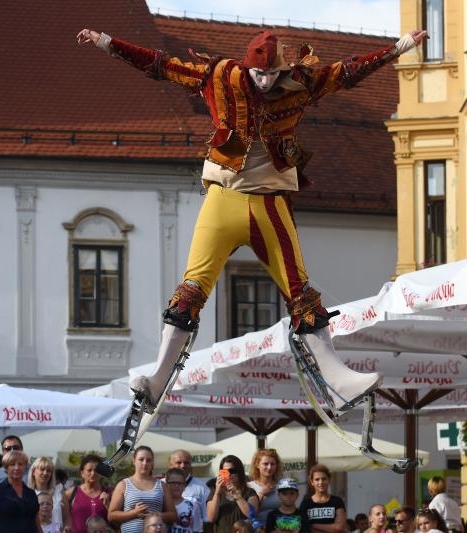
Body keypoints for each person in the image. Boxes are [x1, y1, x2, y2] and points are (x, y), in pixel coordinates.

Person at [76, 25, 428, 412]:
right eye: (258, 73)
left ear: (281, 70)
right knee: (190, 290)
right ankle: (158, 378)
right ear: (248, 67)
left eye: (271, 74)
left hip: (270, 203)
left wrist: (399, 47)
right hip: (223, 200)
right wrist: (108, 43)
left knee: (301, 294)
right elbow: (162, 66)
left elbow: (346, 72)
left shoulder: (299, 83)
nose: (264, 81)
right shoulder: (220, 76)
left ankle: (338, 381)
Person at [108, 446, 176, 533]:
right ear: (134, 461)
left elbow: (173, 515)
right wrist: (134, 513)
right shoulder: (123, 485)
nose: (145, 463)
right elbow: (111, 516)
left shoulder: (162, 485)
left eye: (148, 460)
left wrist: (154, 515)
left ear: (152, 463)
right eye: (141, 459)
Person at [0, 449, 39, 533]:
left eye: (20, 464)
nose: (17, 468)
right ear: (6, 468)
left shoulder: (31, 493)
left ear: (25, 467)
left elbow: (37, 523)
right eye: (12, 464)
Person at [207, 456, 257, 533]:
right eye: (225, 471)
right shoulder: (214, 492)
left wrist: (237, 496)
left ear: (239, 472)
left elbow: (252, 514)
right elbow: (211, 518)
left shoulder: (249, 492)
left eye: (232, 471)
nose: (229, 474)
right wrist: (217, 493)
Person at [65, 454, 110, 533]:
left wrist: (108, 505)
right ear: (82, 473)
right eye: (89, 470)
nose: (93, 473)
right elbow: (62, 517)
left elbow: (115, 521)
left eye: (96, 470)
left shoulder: (108, 493)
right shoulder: (71, 493)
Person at [299, 464, 346, 533]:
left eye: (324, 479)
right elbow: (303, 529)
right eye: (317, 479)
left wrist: (313, 525)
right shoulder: (305, 504)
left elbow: (339, 528)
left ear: (329, 480)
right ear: (312, 482)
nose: (320, 482)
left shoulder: (337, 501)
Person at [167, 450, 209, 525]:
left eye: (186, 463)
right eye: (178, 462)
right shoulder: (161, 485)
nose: (183, 465)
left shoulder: (202, 487)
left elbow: (206, 518)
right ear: (170, 465)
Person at [29, 457, 67, 531]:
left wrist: (66, 529)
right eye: (42, 469)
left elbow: (67, 518)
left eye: (49, 471)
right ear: (33, 472)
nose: (45, 473)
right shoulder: (27, 493)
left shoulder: (59, 492)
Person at [249, 449, 283, 531]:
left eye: (272, 464)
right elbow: (250, 514)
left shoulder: (282, 486)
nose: (269, 467)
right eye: (265, 464)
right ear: (257, 465)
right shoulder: (249, 486)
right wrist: (261, 494)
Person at [163, 468, 201, 533]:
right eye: (173, 483)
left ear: (184, 486)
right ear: (166, 484)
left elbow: (197, 530)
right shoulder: (160, 504)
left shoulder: (193, 506)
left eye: (180, 483)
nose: (176, 486)